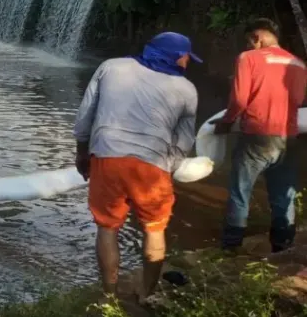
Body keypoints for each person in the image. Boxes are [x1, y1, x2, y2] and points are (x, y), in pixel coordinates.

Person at [73, 31, 199, 301]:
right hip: (153, 166)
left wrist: (82, 153)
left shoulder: (112, 67)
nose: (188, 63)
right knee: (154, 228)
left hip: (108, 156)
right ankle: (147, 294)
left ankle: (109, 297)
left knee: (107, 227)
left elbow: (85, 116)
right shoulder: (187, 89)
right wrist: (168, 167)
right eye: (187, 58)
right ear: (175, 57)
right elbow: (185, 140)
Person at [212, 18, 306, 253]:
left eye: (249, 41)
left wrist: (226, 122)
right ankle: (282, 246)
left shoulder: (248, 58)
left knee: (240, 191)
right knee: (283, 194)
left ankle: (232, 247)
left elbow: (239, 100)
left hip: (256, 136)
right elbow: (298, 101)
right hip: (289, 138)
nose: (249, 45)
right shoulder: (299, 64)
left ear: (257, 37)